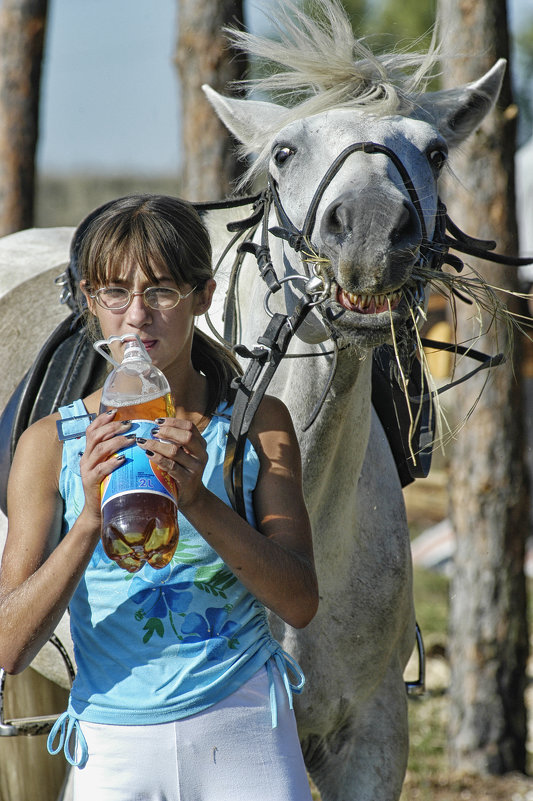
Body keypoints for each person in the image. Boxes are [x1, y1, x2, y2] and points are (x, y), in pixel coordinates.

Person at [0, 194, 318, 801]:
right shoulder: (52, 444)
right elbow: (10, 646)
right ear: (92, 302)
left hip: (245, 728)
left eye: (163, 291)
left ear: (204, 296)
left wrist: (199, 500)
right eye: (115, 292)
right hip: (113, 747)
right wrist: (90, 518)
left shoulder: (255, 426)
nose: (137, 317)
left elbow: (300, 602)